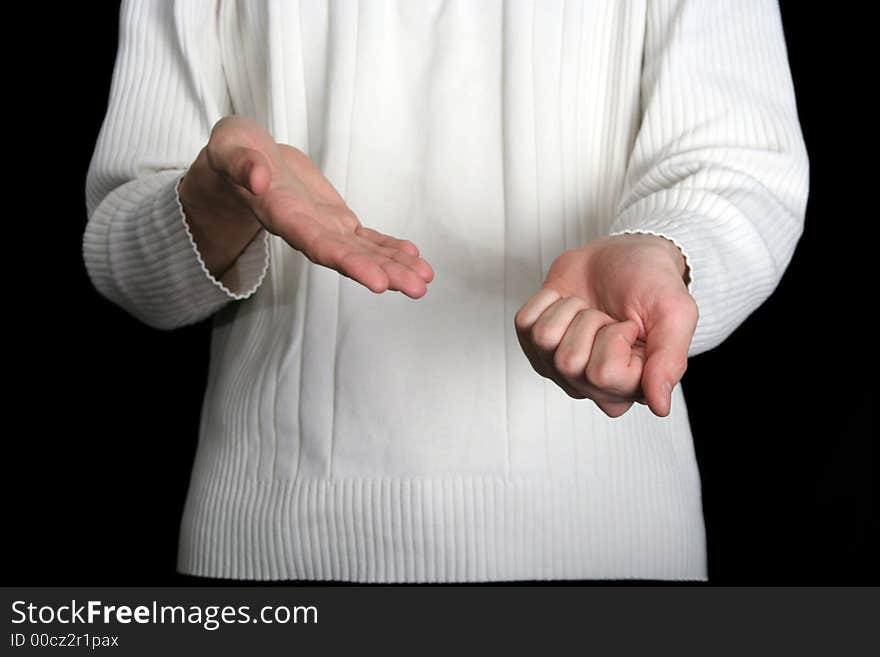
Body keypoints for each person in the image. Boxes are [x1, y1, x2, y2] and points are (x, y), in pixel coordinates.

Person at [83, 0, 808, 582]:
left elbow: (740, 164)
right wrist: (219, 196)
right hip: (271, 557)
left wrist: (665, 250)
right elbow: (125, 257)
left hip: (607, 553)